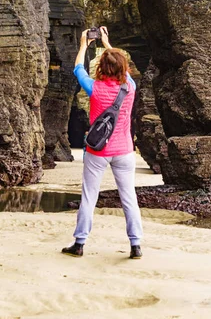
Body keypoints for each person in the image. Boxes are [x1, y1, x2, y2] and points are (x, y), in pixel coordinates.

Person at [62, 26, 143, 259]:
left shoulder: (94, 88)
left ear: (101, 68)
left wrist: (83, 45)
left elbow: (78, 69)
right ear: (122, 68)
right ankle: (136, 245)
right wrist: (108, 44)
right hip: (125, 151)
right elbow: (124, 69)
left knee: (89, 197)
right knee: (129, 198)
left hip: (97, 151)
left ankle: (79, 243)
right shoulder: (130, 88)